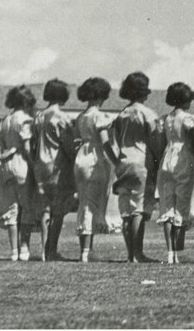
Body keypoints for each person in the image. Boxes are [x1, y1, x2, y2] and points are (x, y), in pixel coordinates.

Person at [110, 71, 163, 262]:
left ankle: (130, 253)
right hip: (142, 162)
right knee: (139, 209)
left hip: (123, 162)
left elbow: (112, 139)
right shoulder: (148, 114)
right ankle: (137, 253)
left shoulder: (122, 114)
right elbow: (156, 140)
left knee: (126, 210)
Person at [31, 78, 77, 261]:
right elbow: (67, 145)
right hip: (57, 166)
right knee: (58, 211)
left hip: (39, 166)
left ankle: (45, 250)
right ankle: (51, 249)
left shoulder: (39, 117)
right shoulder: (61, 117)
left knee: (45, 210)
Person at [156, 82, 194, 264]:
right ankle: (179, 251)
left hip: (167, 159)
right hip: (183, 160)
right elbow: (190, 143)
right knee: (182, 206)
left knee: (167, 207)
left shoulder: (166, 119)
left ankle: (170, 252)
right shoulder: (188, 118)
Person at [73, 76, 114, 263]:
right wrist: (115, 160)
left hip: (81, 157)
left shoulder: (81, 117)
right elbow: (105, 142)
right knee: (91, 204)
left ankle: (85, 248)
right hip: (95, 159)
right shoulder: (99, 116)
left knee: (84, 202)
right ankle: (86, 251)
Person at [0, 85, 38, 261]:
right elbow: (27, 147)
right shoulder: (25, 119)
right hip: (21, 163)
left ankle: (14, 251)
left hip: (5, 165)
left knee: (11, 209)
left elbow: (2, 146)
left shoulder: (5, 120)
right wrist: (34, 165)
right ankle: (25, 248)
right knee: (26, 207)